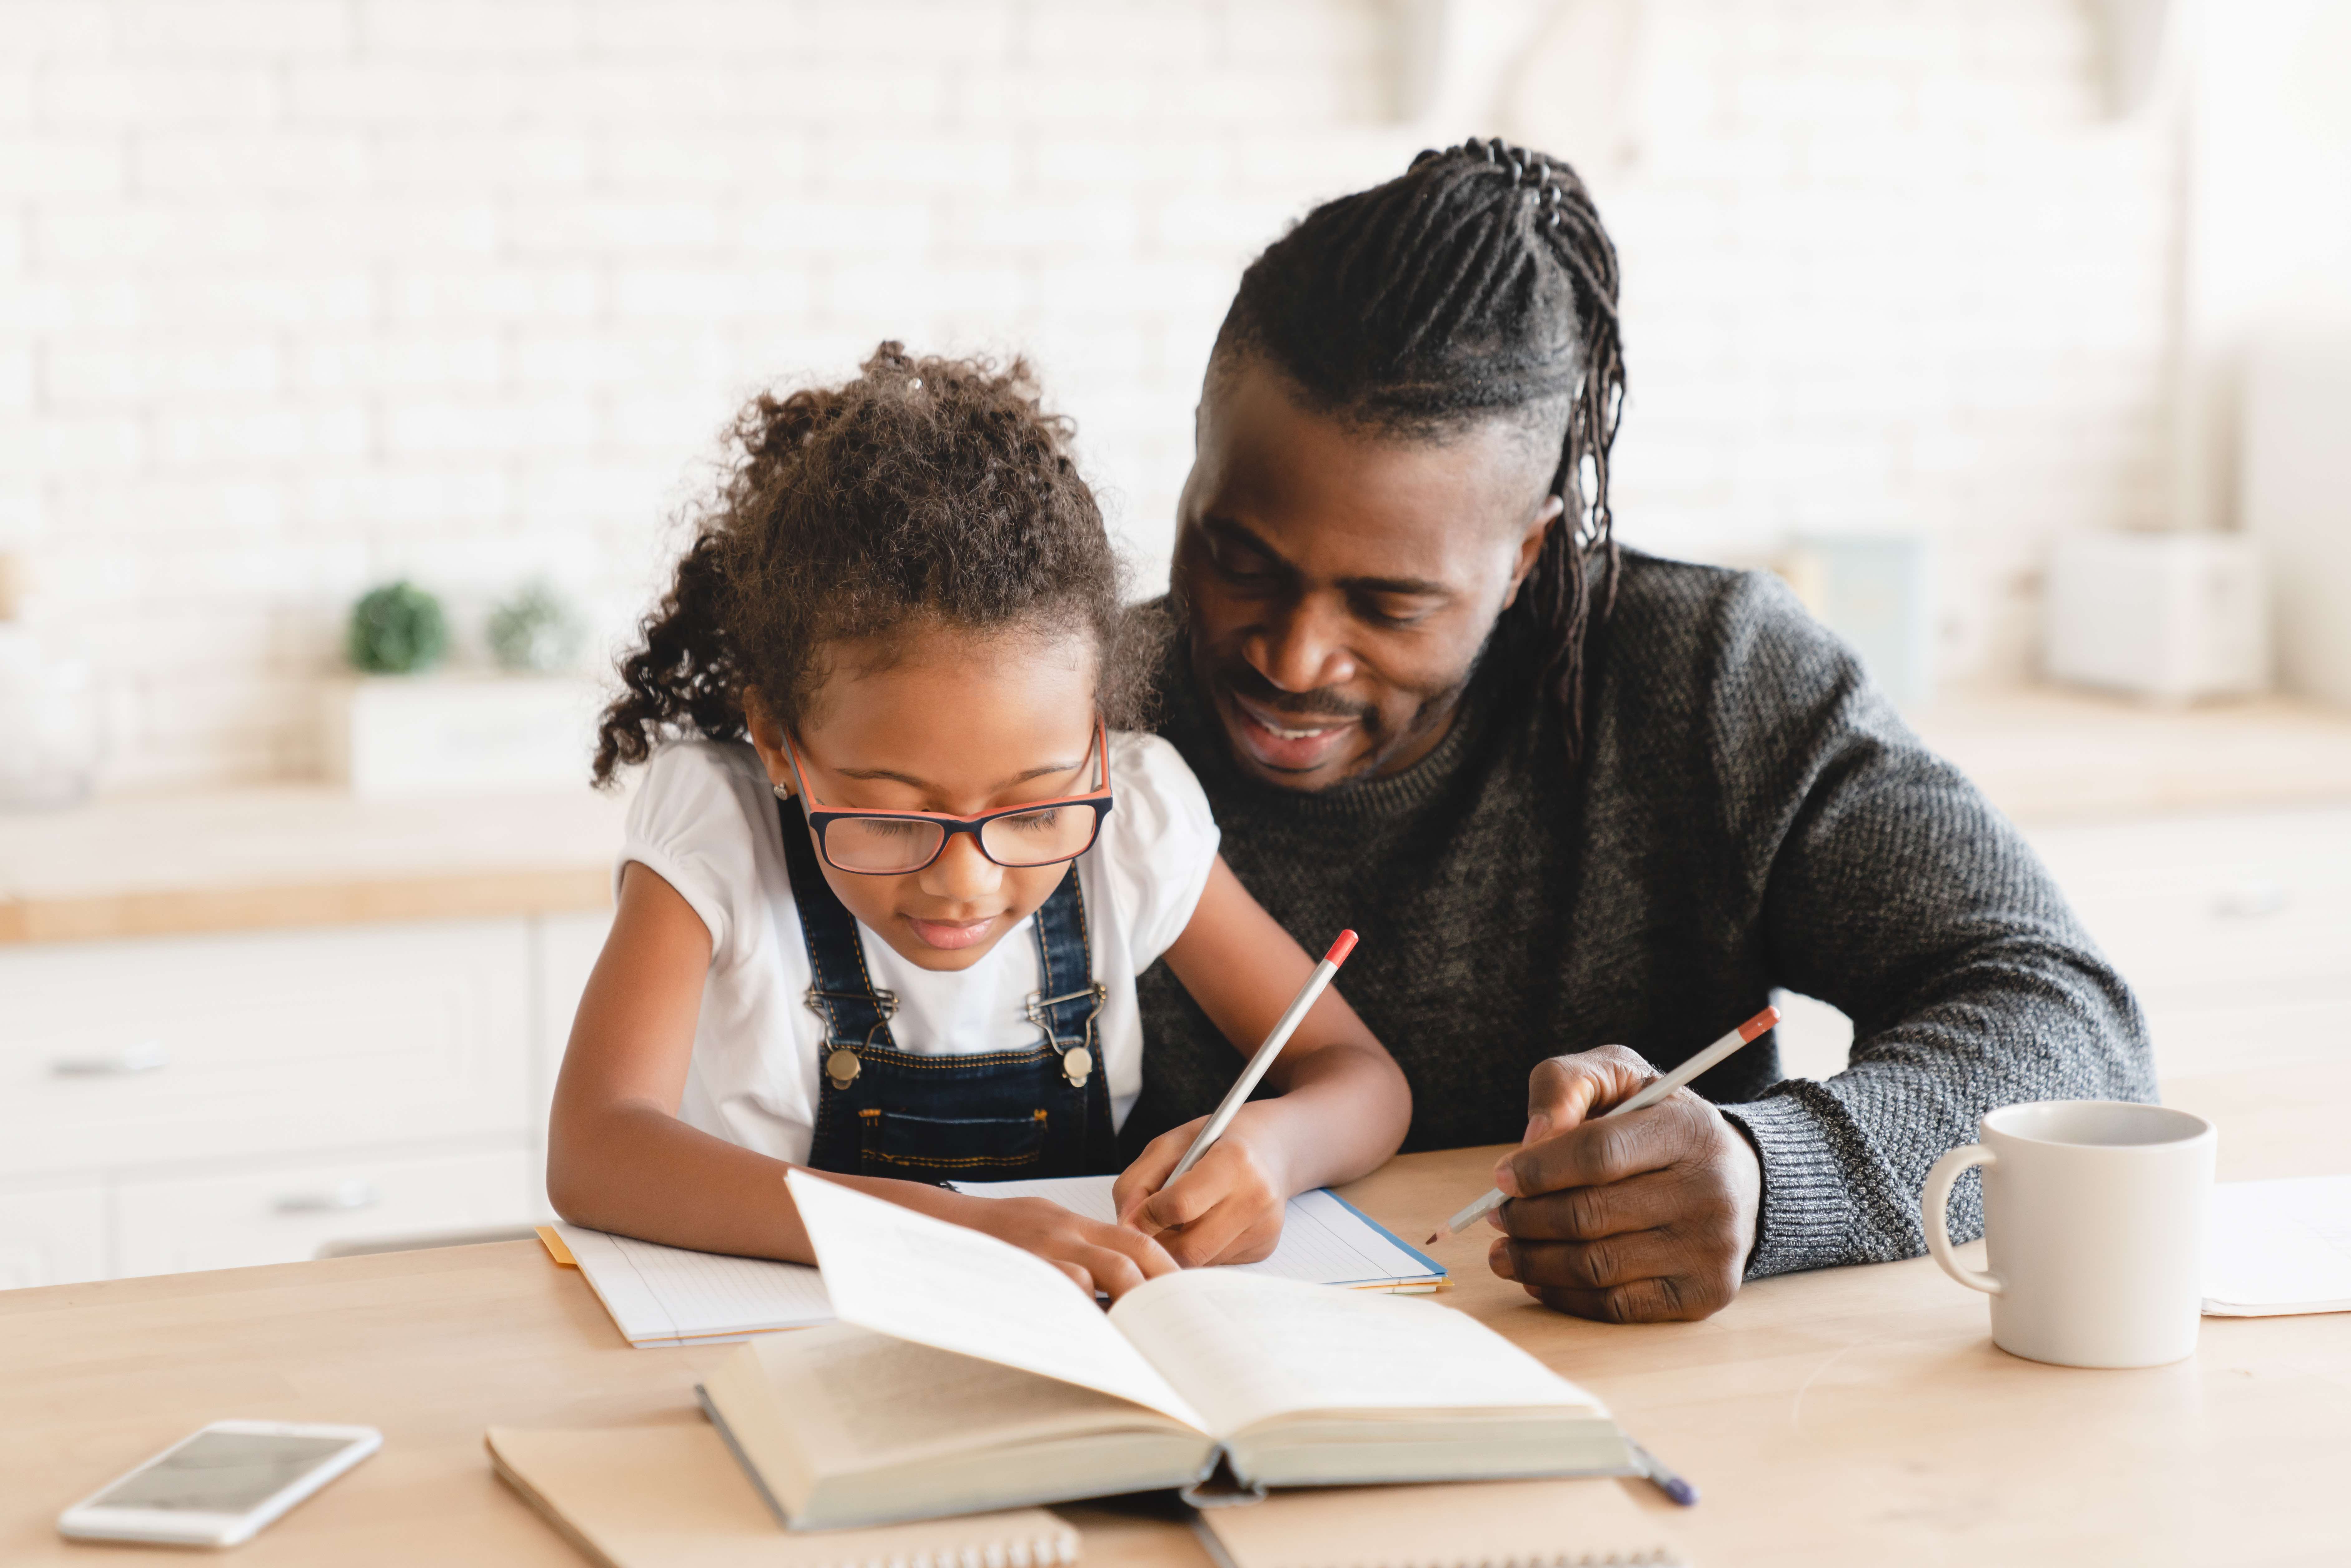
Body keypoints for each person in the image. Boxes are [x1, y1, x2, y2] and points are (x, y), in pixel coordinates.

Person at [1124, 139, 2155, 1322]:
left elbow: (2066, 1026)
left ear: (1523, 558)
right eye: (1236, 558)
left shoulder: (1710, 679)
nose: (1291, 657)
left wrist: (1774, 1174)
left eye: (1388, 604)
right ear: (1198, 453)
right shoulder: (1068, 715)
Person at [548, 345, 1410, 1298]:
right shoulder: (719, 829)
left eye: (1035, 806)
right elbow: (597, 1149)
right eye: (890, 813)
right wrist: (961, 1231)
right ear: (779, 743)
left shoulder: (1135, 819)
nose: (964, 882)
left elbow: (1362, 1078)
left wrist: (1274, 1151)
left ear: (1094, 737)